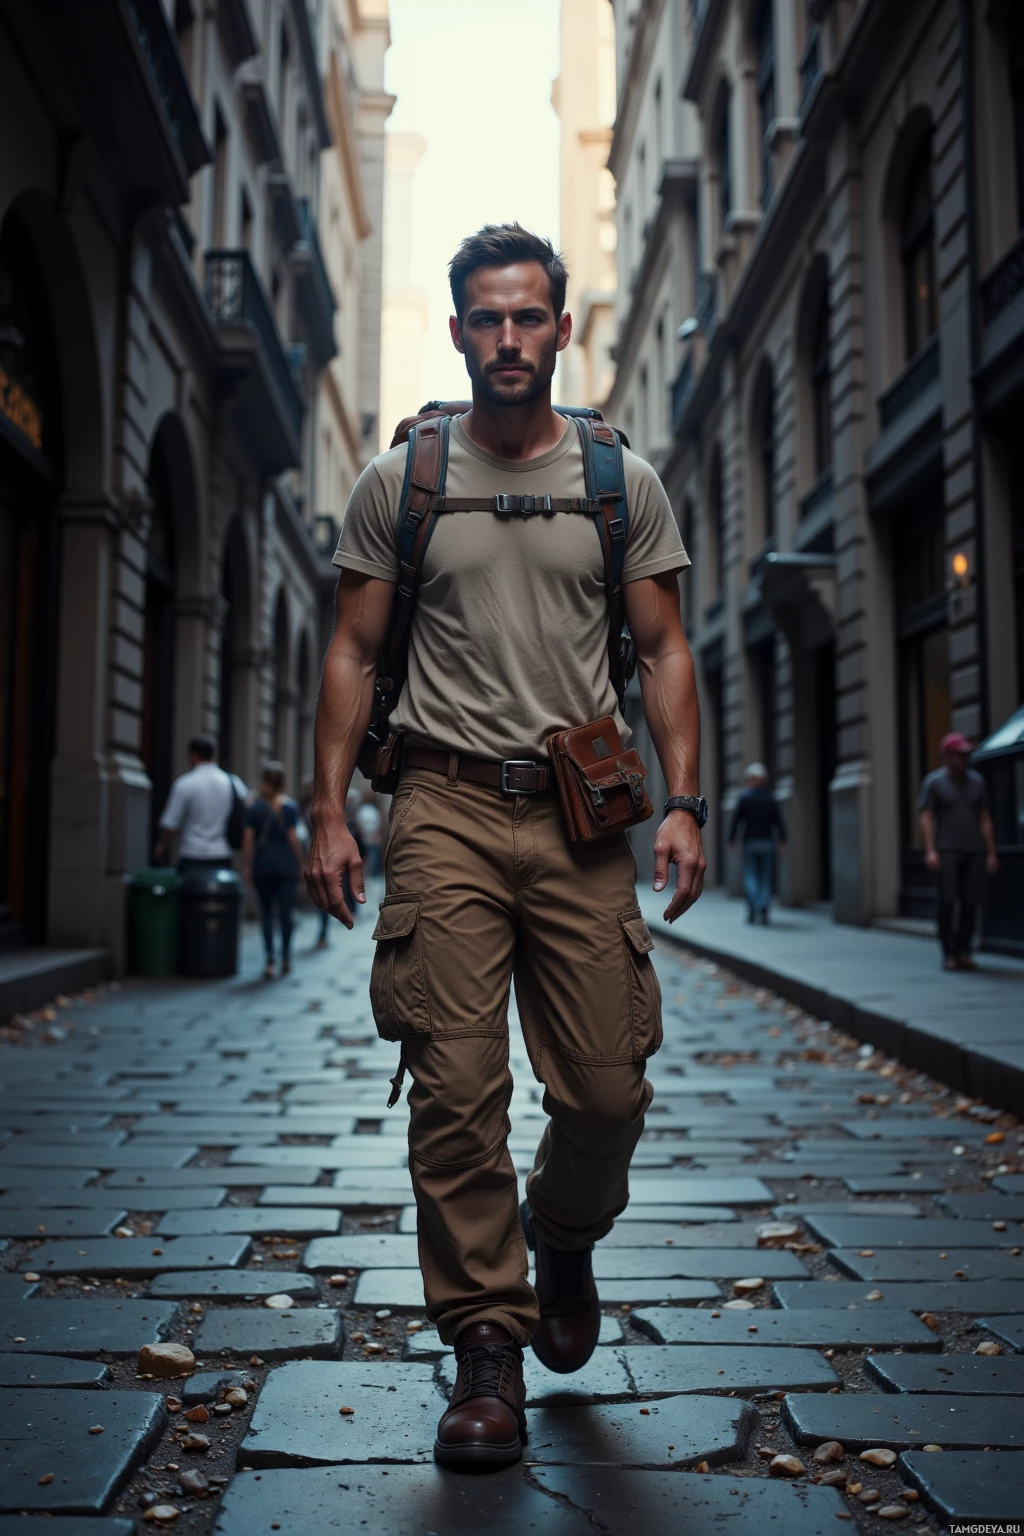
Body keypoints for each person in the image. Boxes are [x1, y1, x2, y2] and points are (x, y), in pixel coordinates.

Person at [304, 223, 705, 1470]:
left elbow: (664, 651)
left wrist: (684, 799)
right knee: (454, 1091)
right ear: (459, 330)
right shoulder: (403, 479)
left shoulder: (616, 479)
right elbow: (352, 653)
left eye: (530, 317)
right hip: (440, 810)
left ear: (564, 330)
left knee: (603, 1087)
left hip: (581, 816)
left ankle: (563, 1230)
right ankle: (485, 1342)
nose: (509, 339)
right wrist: (326, 807)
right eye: (487, 318)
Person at [918, 732, 999, 971]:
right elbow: (927, 817)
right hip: (947, 849)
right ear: (946, 756)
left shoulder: (977, 782)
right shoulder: (934, 782)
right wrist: (930, 850)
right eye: (958, 755)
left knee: (970, 902)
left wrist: (991, 852)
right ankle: (949, 952)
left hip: (973, 848)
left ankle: (964, 950)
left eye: (965, 755)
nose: (963, 759)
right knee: (947, 902)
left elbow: (984, 818)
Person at [243, 761, 304, 980]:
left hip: (263, 864)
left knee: (266, 912)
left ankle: (269, 960)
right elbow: (293, 838)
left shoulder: (254, 807)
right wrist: (300, 865)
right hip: (286, 864)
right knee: (286, 913)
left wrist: (247, 866)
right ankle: (286, 957)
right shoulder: (289, 807)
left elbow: (248, 840)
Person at [154, 734, 247, 873]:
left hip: (192, 853)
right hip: (221, 853)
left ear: (193, 755)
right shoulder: (232, 782)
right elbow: (248, 807)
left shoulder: (185, 783)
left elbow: (171, 822)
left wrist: (162, 845)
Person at [727, 763, 786, 924]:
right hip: (767, 842)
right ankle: (763, 905)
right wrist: (782, 841)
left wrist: (731, 839)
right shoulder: (770, 797)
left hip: (750, 842)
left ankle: (754, 905)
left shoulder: (744, 797)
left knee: (750, 875)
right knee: (766, 876)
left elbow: (736, 821)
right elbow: (779, 821)